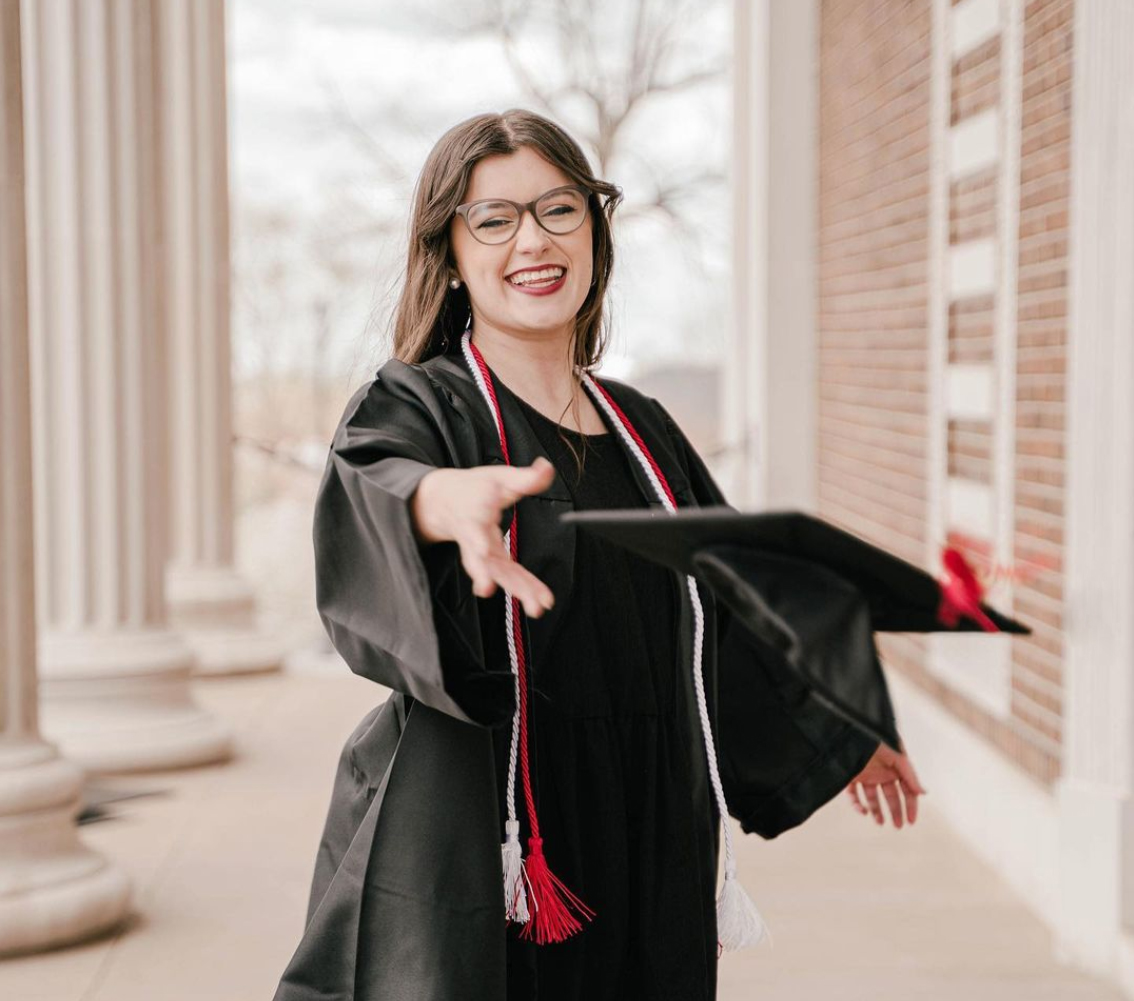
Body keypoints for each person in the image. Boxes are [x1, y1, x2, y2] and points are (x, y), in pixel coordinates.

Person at [272, 108, 925, 1001]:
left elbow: (730, 605)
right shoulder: (424, 405)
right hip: (481, 829)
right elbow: (370, 481)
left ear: (595, 227)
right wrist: (439, 498)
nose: (532, 241)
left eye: (559, 209)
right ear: (451, 254)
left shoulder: (644, 431)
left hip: (647, 821)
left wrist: (837, 729)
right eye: (493, 219)